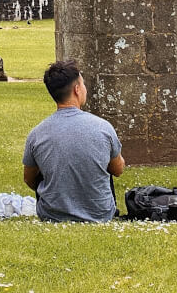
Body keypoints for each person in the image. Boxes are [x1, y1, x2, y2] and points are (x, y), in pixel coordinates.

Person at [22, 60, 125, 223]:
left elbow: (29, 178)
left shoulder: (37, 134)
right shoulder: (102, 127)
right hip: (100, 214)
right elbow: (118, 169)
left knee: (41, 169)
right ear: (77, 89)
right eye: (83, 84)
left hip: (52, 215)